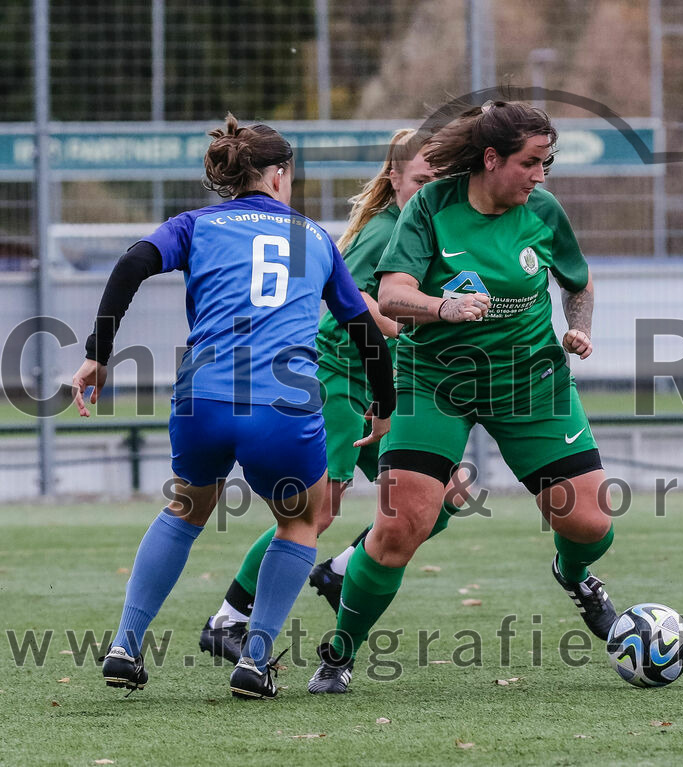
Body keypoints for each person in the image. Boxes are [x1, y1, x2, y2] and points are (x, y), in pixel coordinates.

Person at [70, 113, 395, 700]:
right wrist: (385, 401)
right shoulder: (314, 237)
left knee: (184, 511)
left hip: (203, 399)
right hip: (284, 405)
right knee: (300, 521)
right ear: (278, 175)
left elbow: (131, 263)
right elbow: (362, 327)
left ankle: (125, 644)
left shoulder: (195, 225)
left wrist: (97, 354)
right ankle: (255, 660)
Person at [306, 100, 617, 693]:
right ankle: (339, 652)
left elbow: (578, 282)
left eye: (547, 163)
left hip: (530, 382)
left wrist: (579, 325)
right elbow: (394, 294)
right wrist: (441, 307)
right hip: (433, 383)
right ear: (492, 158)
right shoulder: (430, 206)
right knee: (400, 528)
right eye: (532, 163)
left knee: (590, 524)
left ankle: (574, 575)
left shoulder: (545, 211)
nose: (541, 176)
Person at [198, 129, 469, 671]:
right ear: (393, 180)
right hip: (340, 377)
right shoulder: (388, 230)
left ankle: (342, 568)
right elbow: (359, 298)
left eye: (440, 180)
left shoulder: (432, 229)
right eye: (420, 179)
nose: (430, 189)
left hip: (378, 388)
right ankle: (228, 619)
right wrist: (416, 319)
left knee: (446, 495)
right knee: (315, 513)